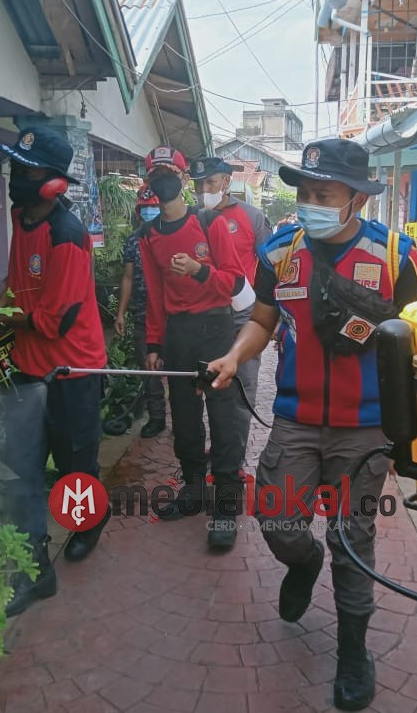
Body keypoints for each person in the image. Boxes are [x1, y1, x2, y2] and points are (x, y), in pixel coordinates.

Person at [207, 138, 417, 710]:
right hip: (295, 418)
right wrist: (236, 356)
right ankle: (301, 565)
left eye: (322, 193)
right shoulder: (280, 251)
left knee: (351, 538)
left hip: (366, 427)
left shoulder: (394, 258)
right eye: (303, 192)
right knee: (279, 520)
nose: (309, 202)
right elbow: (261, 318)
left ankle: (353, 651)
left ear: (356, 197)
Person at [0, 125, 109, 617]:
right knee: (22, 471)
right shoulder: (21, 216)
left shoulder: (68, 235)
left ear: (54, 182)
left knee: (76, 464)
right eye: (15, 164)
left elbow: (57, 321)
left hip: (72, 370)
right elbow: (17, 287)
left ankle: (86, 524)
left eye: (27, 169)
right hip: (26, 370)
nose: (16, 175)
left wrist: (3, 323)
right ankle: (35, 571)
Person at [137, 146, 248, 550]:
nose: (162, 180)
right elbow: (154, 292)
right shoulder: (149, 237)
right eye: (156, 175)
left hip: (216, 329)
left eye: (170, 173)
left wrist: (200, 270)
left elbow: (234, 283)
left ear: (184, 180)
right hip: (178, 333)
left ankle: (225, 504)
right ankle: (193, 489)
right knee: (183, 417)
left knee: (223, 417)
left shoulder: (210, 223)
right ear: (150, 183)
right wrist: (153, 341)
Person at [190, 156, 272, 453]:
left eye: (210, 182)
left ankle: (233, 456)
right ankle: (218, 447)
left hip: (242, 315)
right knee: (210, 386)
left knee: (242, 386)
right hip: (206, 317)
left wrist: (269, 316)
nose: (203, 190)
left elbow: (269, 266)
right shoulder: (190, 219)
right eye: (198, 184)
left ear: (226, 182)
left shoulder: (251, 217)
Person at [115, 188, 167, 438]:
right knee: (149, 368)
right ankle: (156, 417)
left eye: (153, 205)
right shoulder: (133, 239)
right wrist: (120, 313)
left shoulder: (172, 233)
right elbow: (127, 277)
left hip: (172, 314)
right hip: (142, 314)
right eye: (144, 207)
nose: (148, 211)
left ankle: (186, 417)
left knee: (179, 367)